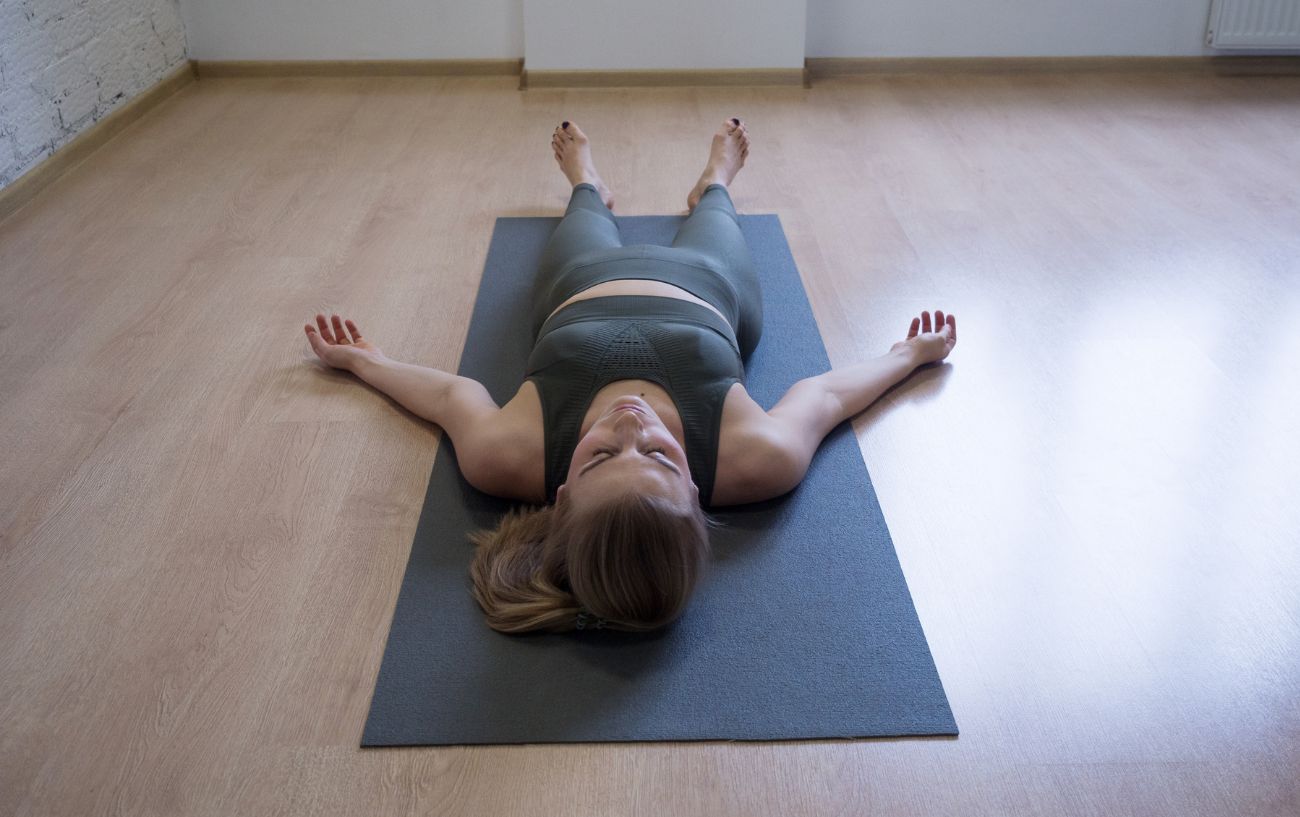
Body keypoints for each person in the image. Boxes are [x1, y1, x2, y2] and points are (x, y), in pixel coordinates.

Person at [304, 118, 957, 635]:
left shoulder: (508, 455)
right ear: (698, 492)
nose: (630, 426)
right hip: (711, 285)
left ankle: (587, 181)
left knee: (584, 210)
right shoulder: (757, 458)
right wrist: (908, 357)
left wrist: (368, 362)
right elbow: (824, 395)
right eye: (660, 457)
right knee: (715, 209)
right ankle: (715, 182)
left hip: (577, 284)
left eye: (600, 458)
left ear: (560, 494)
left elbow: (452, 397)